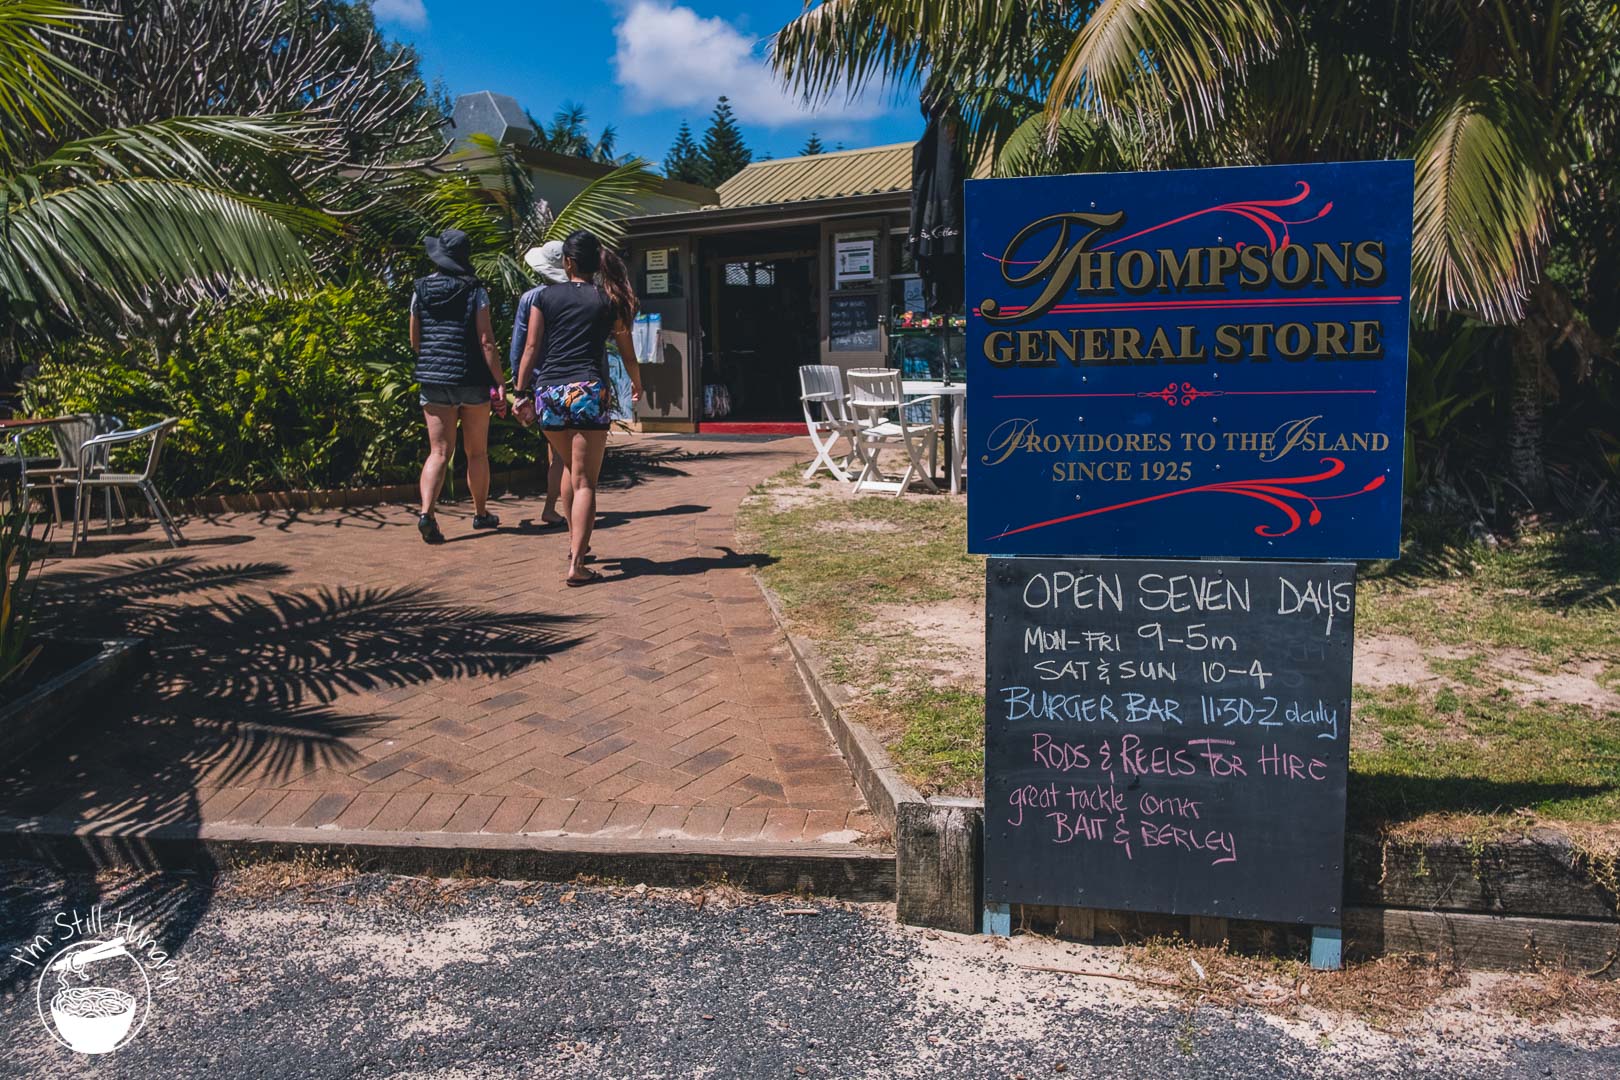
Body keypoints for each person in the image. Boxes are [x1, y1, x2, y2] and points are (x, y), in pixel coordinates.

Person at [516, 230, 642, 586]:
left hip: (549, 392)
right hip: (588, 389)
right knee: (586, 480)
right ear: (593, 264)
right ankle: (576, 563)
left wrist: (520, 392)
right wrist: (637, 382)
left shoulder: (543, 297)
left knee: (570, 466)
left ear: (567, 263)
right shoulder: (608, 299)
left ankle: (577, 548)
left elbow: (531, 348)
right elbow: (627, 352)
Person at [410, 228, 507, 543]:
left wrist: (432, 361)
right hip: (471, 379)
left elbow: (416, 338)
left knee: (438, 451)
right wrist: (500, 382)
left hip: (433, 378)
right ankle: (480, 513)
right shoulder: (475, 290)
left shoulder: (420, 289)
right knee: (476, 452)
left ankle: (427, 512)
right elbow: (486, 341)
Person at [510, 241, 569, 527]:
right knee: (564, 453)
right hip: (573, 380)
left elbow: (521, 347)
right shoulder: (577, 297)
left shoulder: (531, 298)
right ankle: (553, 505)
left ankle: (554, 504)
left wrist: (518, 388)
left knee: (557, 450)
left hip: (540, 381)